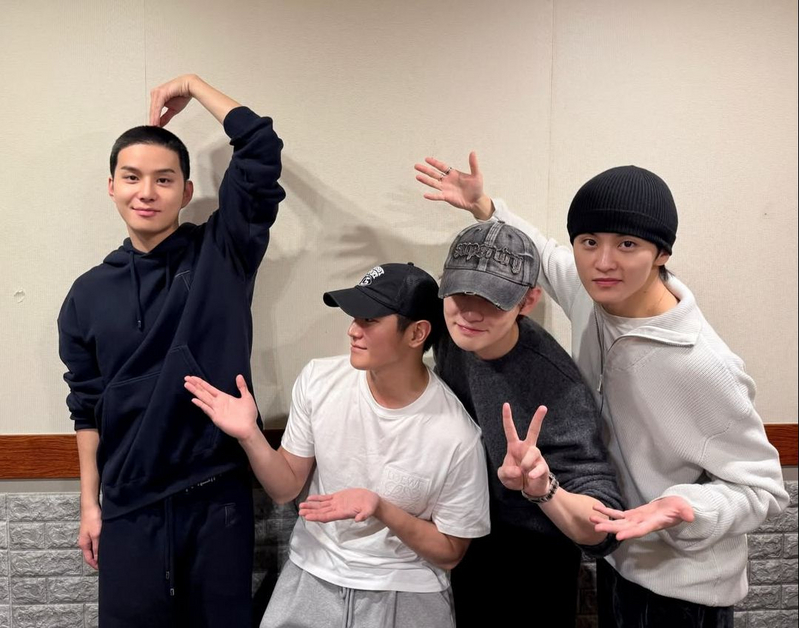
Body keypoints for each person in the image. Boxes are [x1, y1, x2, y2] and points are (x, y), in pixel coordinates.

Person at [416, 153, 789, 627]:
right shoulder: (592, 292)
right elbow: (543, 255)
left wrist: (686, 506)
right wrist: (484, 207)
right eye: (589, 241)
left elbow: (764, 487)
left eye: (628, 244)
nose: (603, 261)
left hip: (683, 586)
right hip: (616, 553)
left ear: (662, 253)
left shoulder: (702, 364)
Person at [57, 74, 285, 627]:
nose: (147, 192)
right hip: (128, 506)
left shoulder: (223, 254)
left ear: (186, 192)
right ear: (111, 186)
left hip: (216, 499)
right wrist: (91, 505)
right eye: (132, 177)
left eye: (164, 179)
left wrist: (194, 86)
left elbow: (260, 147)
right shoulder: (86, 294)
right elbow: (86, 408)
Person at [184, 262, 491, 628]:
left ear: (416, 333)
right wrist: (249, 434)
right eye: (354, 317)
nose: (352, 330)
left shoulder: (456, 435)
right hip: (312, 572)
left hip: (406, 589)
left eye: (369, 320)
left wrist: (380, 508)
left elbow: (451, 552)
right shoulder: (320, 380)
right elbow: (285, 487)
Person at [429, 218, 624, 627]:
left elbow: (603, 524)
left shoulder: (556, 385)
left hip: (533, 557)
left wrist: (543, 487)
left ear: (528, 301)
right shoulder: (449, 325)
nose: (470, 311)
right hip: (467, 530)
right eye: (461, 291)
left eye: (493, 299)